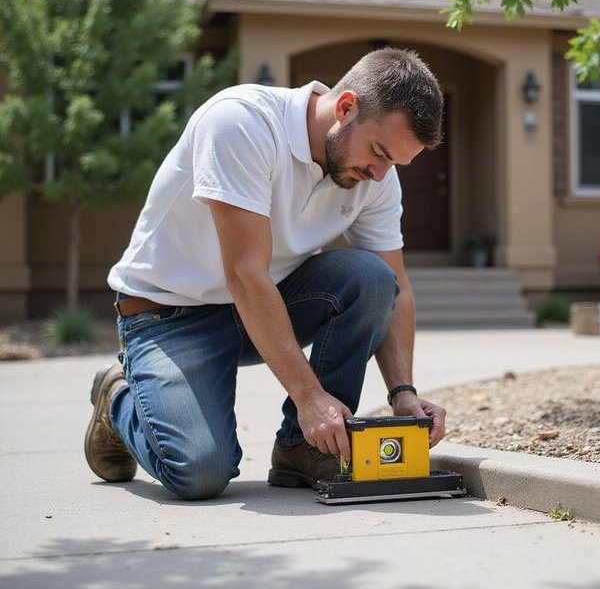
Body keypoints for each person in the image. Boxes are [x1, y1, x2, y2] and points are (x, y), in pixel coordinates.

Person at [83, 48, 448, 500]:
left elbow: (397, 290)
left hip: (262, 310)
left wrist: (403, 394)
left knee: (372, 278)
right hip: (169, 315)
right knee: (200, 473)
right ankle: (117, 397)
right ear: (346, 106)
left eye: (394, 163)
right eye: (378, 152)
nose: (379, 174)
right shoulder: (241, 123)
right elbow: (245, 273)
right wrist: (309, 396)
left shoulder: (373, 176)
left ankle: (303, 447)